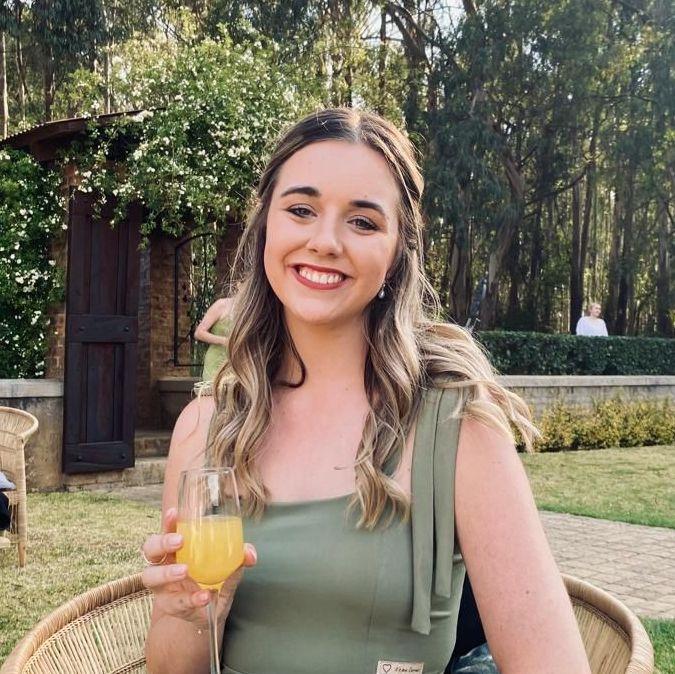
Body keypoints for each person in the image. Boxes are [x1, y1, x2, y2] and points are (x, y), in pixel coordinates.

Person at [141, 108, 591, 674]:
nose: (325, 241)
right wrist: (189, 615)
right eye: (301, 210)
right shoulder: (204, 428)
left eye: (362, 222)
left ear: (398, 251)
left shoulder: (457, 428)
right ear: (265, 229)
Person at [194, 296, 235, 385]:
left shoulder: (251, 309)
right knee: (214, 391)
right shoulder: (222, 304)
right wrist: (224, 341)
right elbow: (199, 333)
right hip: (216, 361)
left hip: (237, 362)